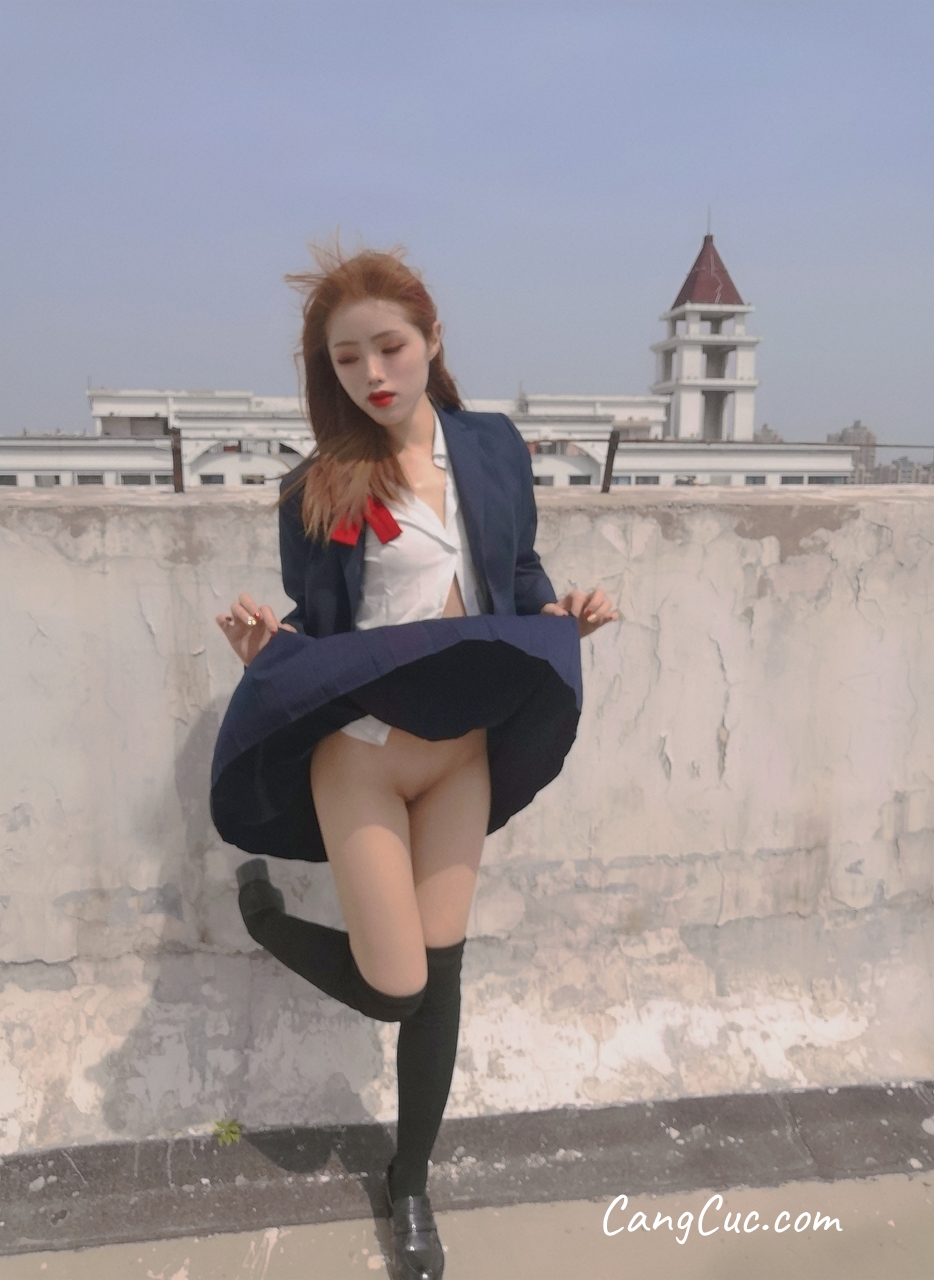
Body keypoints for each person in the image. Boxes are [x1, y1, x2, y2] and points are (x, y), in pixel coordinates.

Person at [210, 246, 616, 1280]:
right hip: (364, 757)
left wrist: (558, 610)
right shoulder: (320, 484)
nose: (372, 374)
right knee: (396, 985)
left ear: (432, 339)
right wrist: (269, 653)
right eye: (346, 359)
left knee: (443, 976)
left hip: (461, 755)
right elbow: (323, 624)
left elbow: (517, 569)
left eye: (389, 346)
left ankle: (411, 1182)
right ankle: (264, 918)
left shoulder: (491, 446)